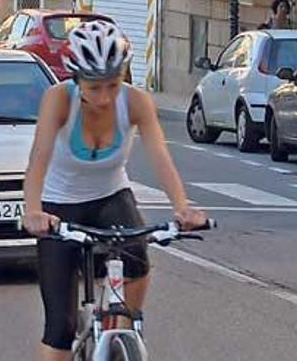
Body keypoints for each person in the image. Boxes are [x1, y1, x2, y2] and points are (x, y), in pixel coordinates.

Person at [21, 20, 207, 361]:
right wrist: (33, 211)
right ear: (76, 79)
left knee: (137, 261)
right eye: (94, 88)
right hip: (59, 204)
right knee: (60, 331)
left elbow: (161, 159)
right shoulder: (58, 101)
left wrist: (183, 209)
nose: (105, 97)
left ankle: (120, 335)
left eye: (113, 84)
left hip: (111, 196)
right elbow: (38, 160)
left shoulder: (136, 103)